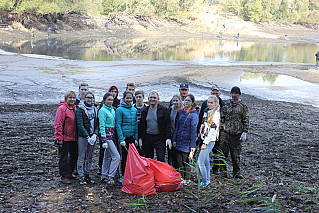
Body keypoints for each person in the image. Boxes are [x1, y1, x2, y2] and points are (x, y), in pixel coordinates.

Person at [219, 86, 249, 179]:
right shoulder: (226, 105)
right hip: (225, 133)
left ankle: (236, 173)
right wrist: (221, 128)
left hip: (237, 134)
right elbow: (221, 117)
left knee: (235, 155)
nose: (234, 95)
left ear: (239, 94)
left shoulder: (242, 106)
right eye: (232, 93)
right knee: (223, 154)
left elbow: (245, 119)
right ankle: (223, 173)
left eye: (236, 93)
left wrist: (245, 131)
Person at [198, 85, 224, 175]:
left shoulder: (222, 105)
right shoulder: (205, 106)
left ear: (219, 94)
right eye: (213, 93)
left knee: (216, 152)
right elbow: (201, 118)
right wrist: (199, 133)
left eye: (216, 93)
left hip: (214, 135)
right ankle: (207, 178)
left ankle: (215, 169)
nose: (215, 94)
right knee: (205, 159)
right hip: (204, 135)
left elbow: (220, 121)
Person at [172, 94, 198, 185]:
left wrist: (192, 146)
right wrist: (174, 139)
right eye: (185, 100)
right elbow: (177, 126)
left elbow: (193, 131)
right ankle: (182, 178)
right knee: (179, 161)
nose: (186, 102)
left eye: (189, 101)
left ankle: (187, 179)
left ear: (192, 102)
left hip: (187, 141)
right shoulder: (182, 111)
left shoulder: (194, 115)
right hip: (179, 140)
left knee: (186, 162)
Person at [139, 91, 171, 162]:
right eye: (151, 97)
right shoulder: (145, 110)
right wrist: (140, 138)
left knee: (160, 157)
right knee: (148, 158)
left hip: (160, 138)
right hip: (148, 137)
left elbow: (167, 124)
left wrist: (168, 138)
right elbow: (141, 125)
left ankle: (160, 173)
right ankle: (150, 172)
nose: (152, 99)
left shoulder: (163, 110)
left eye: (154, 98)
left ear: (158, 99)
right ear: (148, 99)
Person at [54, 90, 78, 184]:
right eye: (70, 98)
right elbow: (58, 124)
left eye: (74, 98)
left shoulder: (75, 108)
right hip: (64, 137)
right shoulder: (62, 109)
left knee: (74, 155)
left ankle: (69, 172)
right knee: (63, 157)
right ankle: (63, 175)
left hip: (74, 137)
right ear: (66, 99)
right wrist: (59, 137)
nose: (72, 100)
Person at [76, 91, 99, 185]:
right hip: (83, 137)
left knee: (90, 156)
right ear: (84, 98)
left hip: (92, 136)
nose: (90, 99)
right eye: (88, 97)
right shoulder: (80, 109)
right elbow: (80, 124)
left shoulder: (95, 109)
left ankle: (87, 174)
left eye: (91, 98)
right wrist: (87, 136)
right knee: (81, 156)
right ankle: (80, 176)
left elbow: (98, 123)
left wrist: (95, 134)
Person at [197, 95, 220, 189]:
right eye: (208, 102)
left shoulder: (216, 114)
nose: (209, 104)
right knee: (206, 161)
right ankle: (207, 180)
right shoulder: (207, 111)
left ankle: (204, 181)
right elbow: (203, 125)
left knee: (200, 161)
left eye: (211, 102)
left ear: (215, 103)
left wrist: (205, 143)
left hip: (209, 141)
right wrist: (199, 137)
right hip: (203, 138)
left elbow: (213, 130)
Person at [98, 92, 121, 185]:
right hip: (107, 137)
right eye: (109, 100)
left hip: (112, 136)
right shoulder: (102, 110)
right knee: (117, 157)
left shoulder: (112, 110)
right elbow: (102, 125)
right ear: (104, 100)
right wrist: (103, 139)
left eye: (112, 100)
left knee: (107, 157)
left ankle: (104, 175)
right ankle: (110, 176)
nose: (110, 101)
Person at [115, 91, 138, 180]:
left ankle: (131, 174)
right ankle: (122, 175)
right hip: (124, 137)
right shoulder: (119, 109)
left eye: (130, 98)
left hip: (132, 136)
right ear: (123, 98)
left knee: (132, 156)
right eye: (127, 98)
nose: (129, 100)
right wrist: (121, 139)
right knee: (123, 157)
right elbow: (118, 124)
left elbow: (136, 124)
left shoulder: (134, 109)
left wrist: (136, 138)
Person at [168, 95, 184, 168]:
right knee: (170, 153)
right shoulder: (170, 109)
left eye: (176, 101)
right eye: (173, 101)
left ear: (180, 101)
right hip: (171, 134)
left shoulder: (183, 111)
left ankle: (178, 170)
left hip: (180, 135)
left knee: (178, 155)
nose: (175, 102)